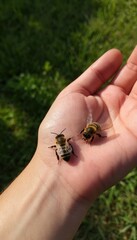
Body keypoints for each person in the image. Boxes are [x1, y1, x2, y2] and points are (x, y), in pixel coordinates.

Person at [0, 46, 137, 240]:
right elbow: (82, 134)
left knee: (92, 137)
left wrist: (52, 173)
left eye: (87, 136)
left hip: (76, 146)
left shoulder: (92, 132)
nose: (85, 137)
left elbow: (92, 133)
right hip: (70, 152)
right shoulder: (74, 136)